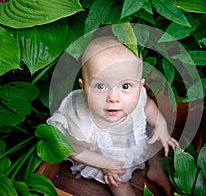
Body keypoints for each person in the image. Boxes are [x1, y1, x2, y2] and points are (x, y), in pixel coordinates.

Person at [47, 36, 179, 196]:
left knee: (152, 142)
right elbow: (75, 151)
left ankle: (156, 169)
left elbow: (149, 106)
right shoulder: (82, 121)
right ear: (83, 87)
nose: (113, 98)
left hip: (135, 141)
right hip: (107, 157)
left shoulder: (136, 97)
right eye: (100, 86)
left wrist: (161, 126)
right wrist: (105, 164)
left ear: (140, 85)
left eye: (125, 86)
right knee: (117, 179)